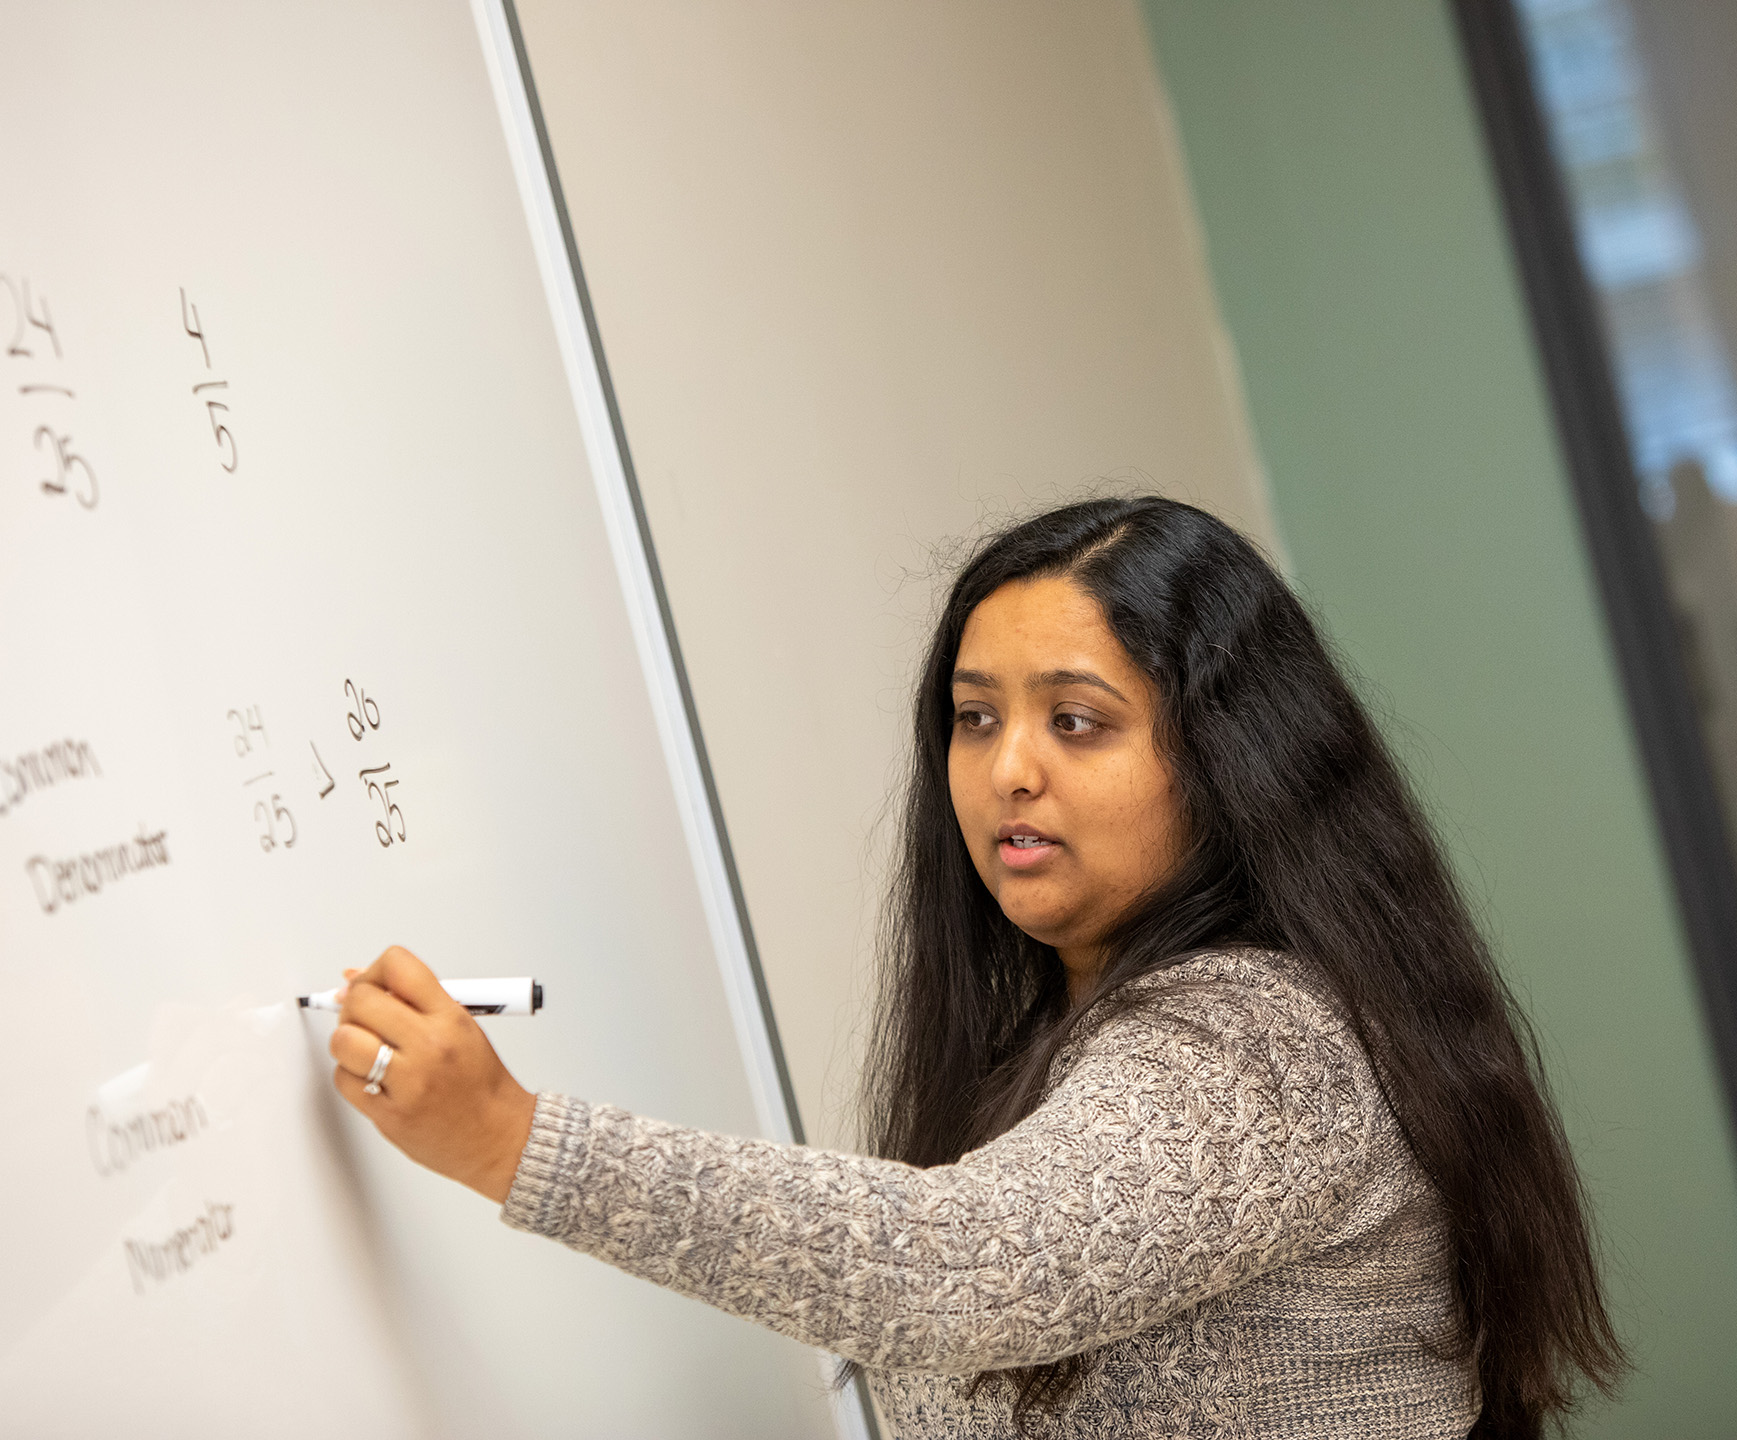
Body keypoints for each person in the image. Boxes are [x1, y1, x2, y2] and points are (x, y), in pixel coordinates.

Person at [325, 497, 1624, 1438]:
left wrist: (517, 1142)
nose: (1008, 767)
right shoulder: (1059, 1043)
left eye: (1078, 721)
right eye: (975, 717)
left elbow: (974, 1273)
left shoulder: (1257, 1044)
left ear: (1233, 757)